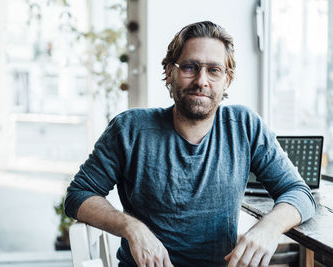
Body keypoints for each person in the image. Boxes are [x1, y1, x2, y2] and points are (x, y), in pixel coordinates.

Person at [64, 21, 316, 267]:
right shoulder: (130, 129)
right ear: (169, 73)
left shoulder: (244, 126)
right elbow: (79, 195)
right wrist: (132, 227)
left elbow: (299, 193)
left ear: (227, 80)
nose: (201, 81)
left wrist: (268, 228)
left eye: (214, 70)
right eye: (189, 67)